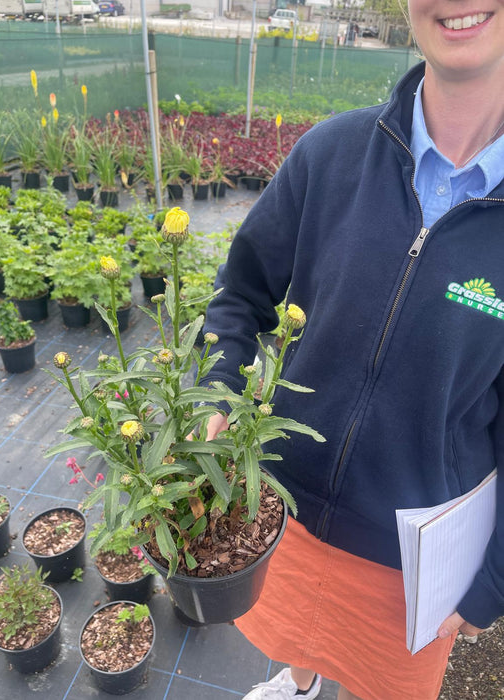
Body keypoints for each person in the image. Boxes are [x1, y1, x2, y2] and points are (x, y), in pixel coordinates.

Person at [201, 1, 504, 699]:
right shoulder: (330, 153)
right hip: (284, 510)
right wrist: (217, 383)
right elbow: (239, 293)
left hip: (414, 559)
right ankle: (298, 686)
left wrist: (489, 581)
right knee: (294, 638)